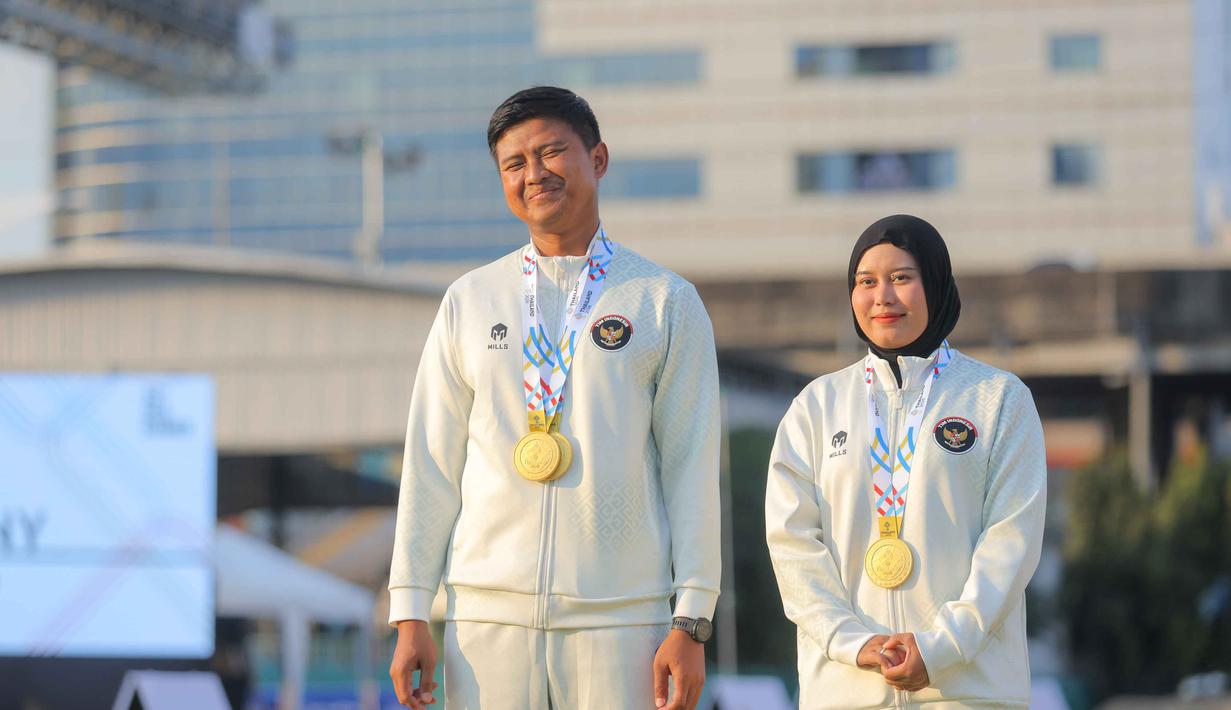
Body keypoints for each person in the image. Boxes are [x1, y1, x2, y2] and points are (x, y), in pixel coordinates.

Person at [387, 86, 721, 710]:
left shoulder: (662, 301)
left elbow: (692, 467)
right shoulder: (470, 299)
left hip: (622, 619)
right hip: (485, 619)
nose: (533, 174)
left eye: (550, 153)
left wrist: (692, 616)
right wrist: (409, 610)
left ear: (597, 160)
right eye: (514, 164)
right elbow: (430, 462)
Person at [764, 214, 1046, 708]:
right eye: (866, 281)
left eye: (901, 278)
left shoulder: (998, 400)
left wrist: (940, 649)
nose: (882, 297)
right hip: (845, 692)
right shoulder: (816, 405)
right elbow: (791, 545)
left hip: (966, 693)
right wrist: (852, 641)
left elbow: (1011, 543)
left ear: (935, 282)